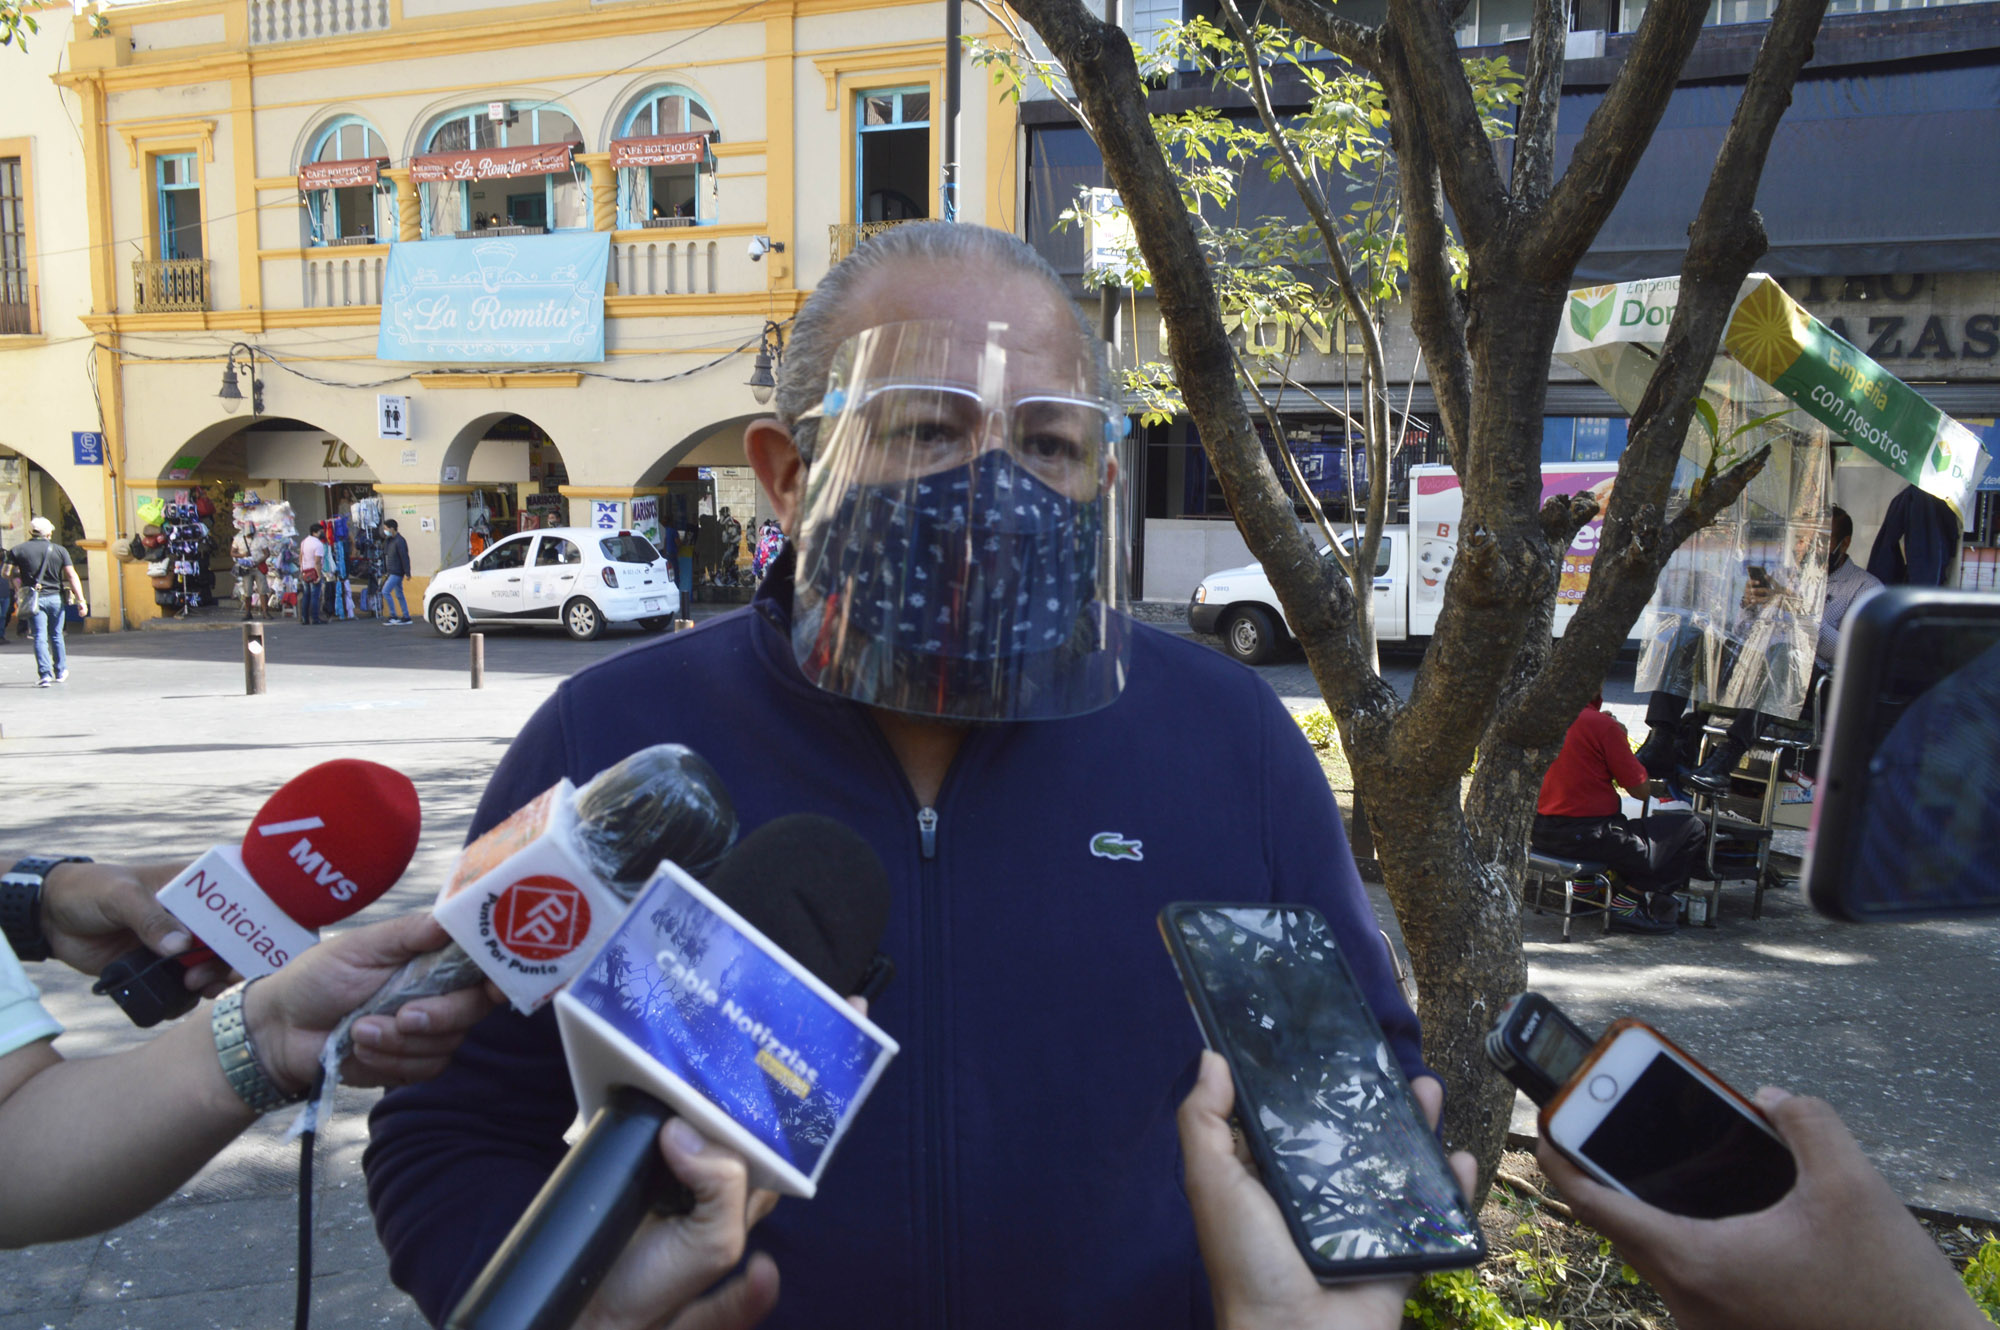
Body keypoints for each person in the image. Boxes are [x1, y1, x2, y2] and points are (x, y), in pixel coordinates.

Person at [364, 222, 1422, 1330]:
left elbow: (1346, 1092)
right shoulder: (618, 740)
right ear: (785, 472)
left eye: (1049, 444)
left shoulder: (1220, 741)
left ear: (1098, 474)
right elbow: (455, 1130)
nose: (996, 487)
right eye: (926, 428)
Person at [1637, 506, 1880, 794]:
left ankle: (1727, 757)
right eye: (1801, 539)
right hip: (1756, 671)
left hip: (1814, 687)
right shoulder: (1785, 574)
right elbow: (1744, 634)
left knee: (1786, 654)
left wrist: (1801, 612)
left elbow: (1853, 654)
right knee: (1689, 635)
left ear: (1844, 543)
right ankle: (1662, 738)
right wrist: (1749, 608)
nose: (1805, 548)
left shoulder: (1865, 588)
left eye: (1818, 541)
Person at [1533, 693, 1704, 934]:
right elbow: (1640, 791)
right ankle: (1626, 905)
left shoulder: (1544, 719)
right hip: (1588, 837)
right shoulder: (1602, 726)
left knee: (1618, 827)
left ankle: (1584, 892)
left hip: (1541, 832)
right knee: (1691, 828)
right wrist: (1619, 738)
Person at [7, 515, 87, 687]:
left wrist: (17, 585)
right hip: (55, 598)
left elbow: (7, 572)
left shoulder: (18, 550)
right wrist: (81, 600)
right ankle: (61, 670)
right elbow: (72, 576)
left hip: (33, 599)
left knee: (39, 637)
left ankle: (45, 674)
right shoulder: (59, 550)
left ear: (30, 531)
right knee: (57, 635)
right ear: (48, 533)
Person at [381, 518, 413, 625]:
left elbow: (405, 557)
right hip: (392, 571)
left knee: (385, 591)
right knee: (399, 594)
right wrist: (387, 539)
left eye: (386, 528)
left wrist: (407, 572)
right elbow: (385, 551)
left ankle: (393, 615)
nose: (384, 530)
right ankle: (406, 616)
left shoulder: (400, 541)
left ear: (392, 528)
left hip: (397, 572)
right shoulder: (390, 541)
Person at [298, 522, 327, 625]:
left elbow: (301, 556)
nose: (322, 534)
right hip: (314, 571)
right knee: (315, 596)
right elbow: (317, 562)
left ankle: (305, 618)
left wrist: (301, 570)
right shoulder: (318, 544)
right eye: (321, 532)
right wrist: (319, 575)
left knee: (306, 595)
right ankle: (315, 618)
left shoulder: (304, 541)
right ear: (315, 532)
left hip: (305, 571)